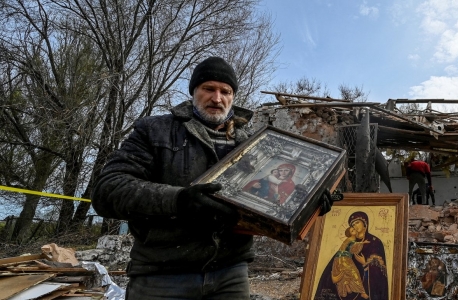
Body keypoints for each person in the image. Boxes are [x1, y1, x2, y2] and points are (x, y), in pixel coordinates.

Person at [92, 56, 337, 299]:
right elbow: (108, 190)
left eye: (225, 91)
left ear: (232, 97)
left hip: (230, 273)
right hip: (162, 274)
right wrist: (179, 200)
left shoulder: (255, 143)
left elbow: (268, 204)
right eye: (208, 88)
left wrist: (308, 202)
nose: (217, 98)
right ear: (193, 91)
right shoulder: (155, 131)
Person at [314, 211, 389, 299]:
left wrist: (365, 263)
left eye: (357, 222)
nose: (355, 226)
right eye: (352, 225)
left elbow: (381, 272)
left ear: (365, 223)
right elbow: (335, 262)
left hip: (367, 289)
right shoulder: (349, 242)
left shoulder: (375, 242)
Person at [331, 227, 369, 299]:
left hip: (341, 259)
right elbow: (354, 246)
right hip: (343, 259)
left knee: (346, 272)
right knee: (354, 272)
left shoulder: (350, 240)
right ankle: (362, 292)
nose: (355, 230)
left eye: (354, 229)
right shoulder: (350, 239)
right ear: (350, 234)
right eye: (352, 230)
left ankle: (346, 285)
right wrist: (363, 242)